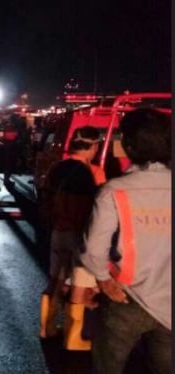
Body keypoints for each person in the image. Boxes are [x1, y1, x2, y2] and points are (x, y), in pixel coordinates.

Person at [80, 108, 171, 374]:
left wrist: (102, 278)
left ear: (128, 146)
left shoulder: (114, 191)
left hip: (125, 296)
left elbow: (93, 249)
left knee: (107, 366)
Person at [38, 126, 106, 350]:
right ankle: (73, 339)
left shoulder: (57, 167)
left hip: (57, 231)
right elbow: (98, 209)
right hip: (80, 235)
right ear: (93, 146)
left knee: (55, 279)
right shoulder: (93, 172)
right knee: (80, 284)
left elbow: (45, 196)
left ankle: (46, 328)